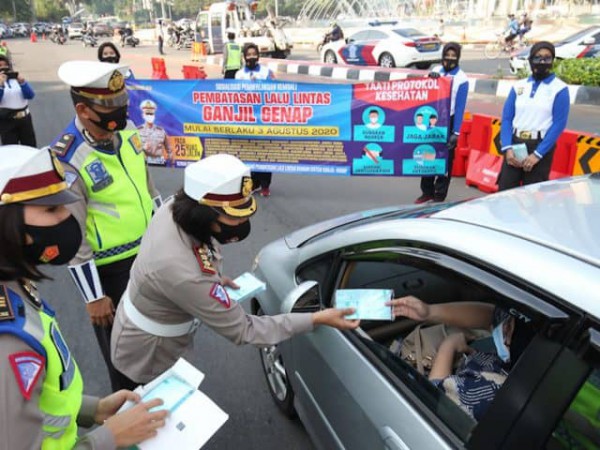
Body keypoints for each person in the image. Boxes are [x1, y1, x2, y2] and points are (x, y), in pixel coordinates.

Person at [110, 154, 360, 386]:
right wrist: (315, 318)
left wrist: (213, 279)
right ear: (202, 213)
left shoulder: (178, 205)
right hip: (147, 357)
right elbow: (244, 330)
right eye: (234, 218)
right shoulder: (181, 271)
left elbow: (198, 258)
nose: (242, 224)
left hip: (160, 321)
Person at [0, 145, 168, 449]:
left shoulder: (14, 287)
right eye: (52, 209)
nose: (68, 217)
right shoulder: (8, 341)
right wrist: (110, 438)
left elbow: (38, 399)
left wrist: (92, 409)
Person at [51, 61, 162, 391]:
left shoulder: (127, 134)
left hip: (151, 258)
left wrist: (172, 242)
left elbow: (149, 191)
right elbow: (73, 233)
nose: (120, 110)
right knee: (126, 362)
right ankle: (132, 434)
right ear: (84, 109)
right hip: (112, 273)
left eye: (122, 101)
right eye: (110, 105)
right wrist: (93, 295)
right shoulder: (68, 156)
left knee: (161, 344)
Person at [388, 295, 535, 420]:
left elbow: (436, 397)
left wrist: (449, 346)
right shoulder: (524, 359)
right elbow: (491, 316)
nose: (502, 325)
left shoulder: (491, 392)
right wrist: (428, 312)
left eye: (508, 326)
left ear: (515, 345)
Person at [498, 41, 569, 191]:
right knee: (505, 192)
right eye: (537, 58)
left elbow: (559, 124)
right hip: (515, 144)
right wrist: (507, 149)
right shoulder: (519, 86)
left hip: (540, 147)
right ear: (530, 60)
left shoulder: (560, 89)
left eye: (547, 58)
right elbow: (507, 118)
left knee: (533, 198)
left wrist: (537, 154)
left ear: (552, 61)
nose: (542, 62)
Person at [416, 42, 468, 203]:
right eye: (447, 55)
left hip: (449, 121)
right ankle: (427, 191)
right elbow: (422, 90)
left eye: (453, 56)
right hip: (432, 120)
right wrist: (429, 80)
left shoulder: (462, 79)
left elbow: (460, 107)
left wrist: (456, 133)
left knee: (445, 158)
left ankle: (439, 194)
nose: (449, 58)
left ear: (458, 58)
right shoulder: (436, 71)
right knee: (427, 154)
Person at [236, 43, 275, 197]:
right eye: (249, 54)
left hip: (264, 119)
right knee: (249, 153)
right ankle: (253, 183)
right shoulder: (239, 75)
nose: (251, 57)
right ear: (244, 57)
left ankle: (265, 185)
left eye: (254, 54)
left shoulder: (266, 72)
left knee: (265, 153)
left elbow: (275, 91)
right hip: (247, 120)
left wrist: (259, 85)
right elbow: (234, 95)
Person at [0, 55, 36, 147]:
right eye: (0, 66)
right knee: (11, 150)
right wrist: (1, 85)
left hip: (25, 120)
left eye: (5, 65)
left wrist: (23, 82)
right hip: (7, 121)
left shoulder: (16, 80)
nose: (3, 68)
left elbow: (30, 95)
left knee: (30, 147)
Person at [137, 99, 172, 165]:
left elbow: (169, 148)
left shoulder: (161, 131)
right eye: (147, 114)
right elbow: (134, 149)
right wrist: (143, 148)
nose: (149, 116)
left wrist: (170, 156)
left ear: (154, 115)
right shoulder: (138, 131)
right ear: (143, 115)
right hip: (144, 162)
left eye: (151, 114)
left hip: (159, 163)